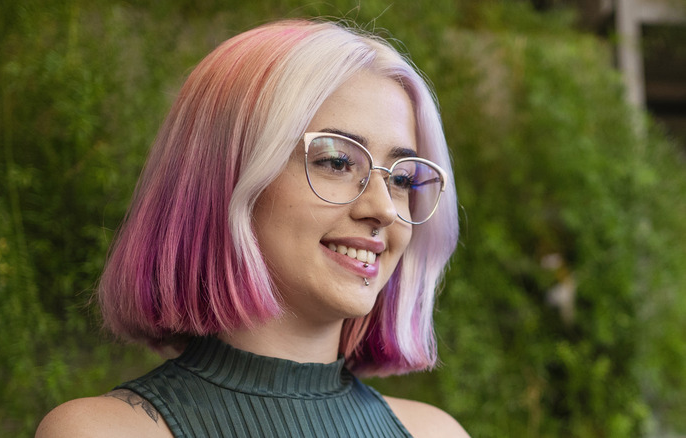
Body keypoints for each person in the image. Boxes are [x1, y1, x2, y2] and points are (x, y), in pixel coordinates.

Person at [37, 18, 468, 437]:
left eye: (403, 179)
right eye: (336, 162)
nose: (384, 209)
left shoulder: (437, 432)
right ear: (226, 176)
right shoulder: (101, 431)